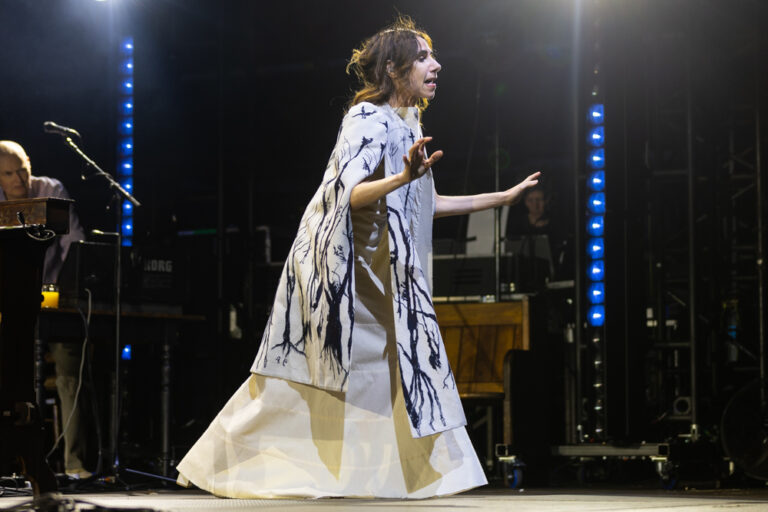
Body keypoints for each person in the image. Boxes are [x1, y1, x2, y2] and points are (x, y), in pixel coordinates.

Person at [176, 17, 540, 499]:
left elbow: (426, 203)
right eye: (423, 57)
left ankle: (379, 479)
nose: (436, 65)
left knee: (388, 374)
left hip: (382, 277)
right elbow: (349, 195)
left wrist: (502, 199)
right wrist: (401, 178)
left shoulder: (409, 124)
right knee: (314, 376)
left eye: (433, 56)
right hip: (345, 273)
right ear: (393, 68)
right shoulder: (367, 119)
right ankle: (225, 464)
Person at [0, 140, 89, 479]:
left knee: (70, 365)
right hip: (7, 304)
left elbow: (74, 244)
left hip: (53, 302)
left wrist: (62, 290)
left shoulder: (50, 190)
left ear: (29, 162)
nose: (19, 179)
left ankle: (74, 464)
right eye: (8, 174)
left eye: (22, 169)